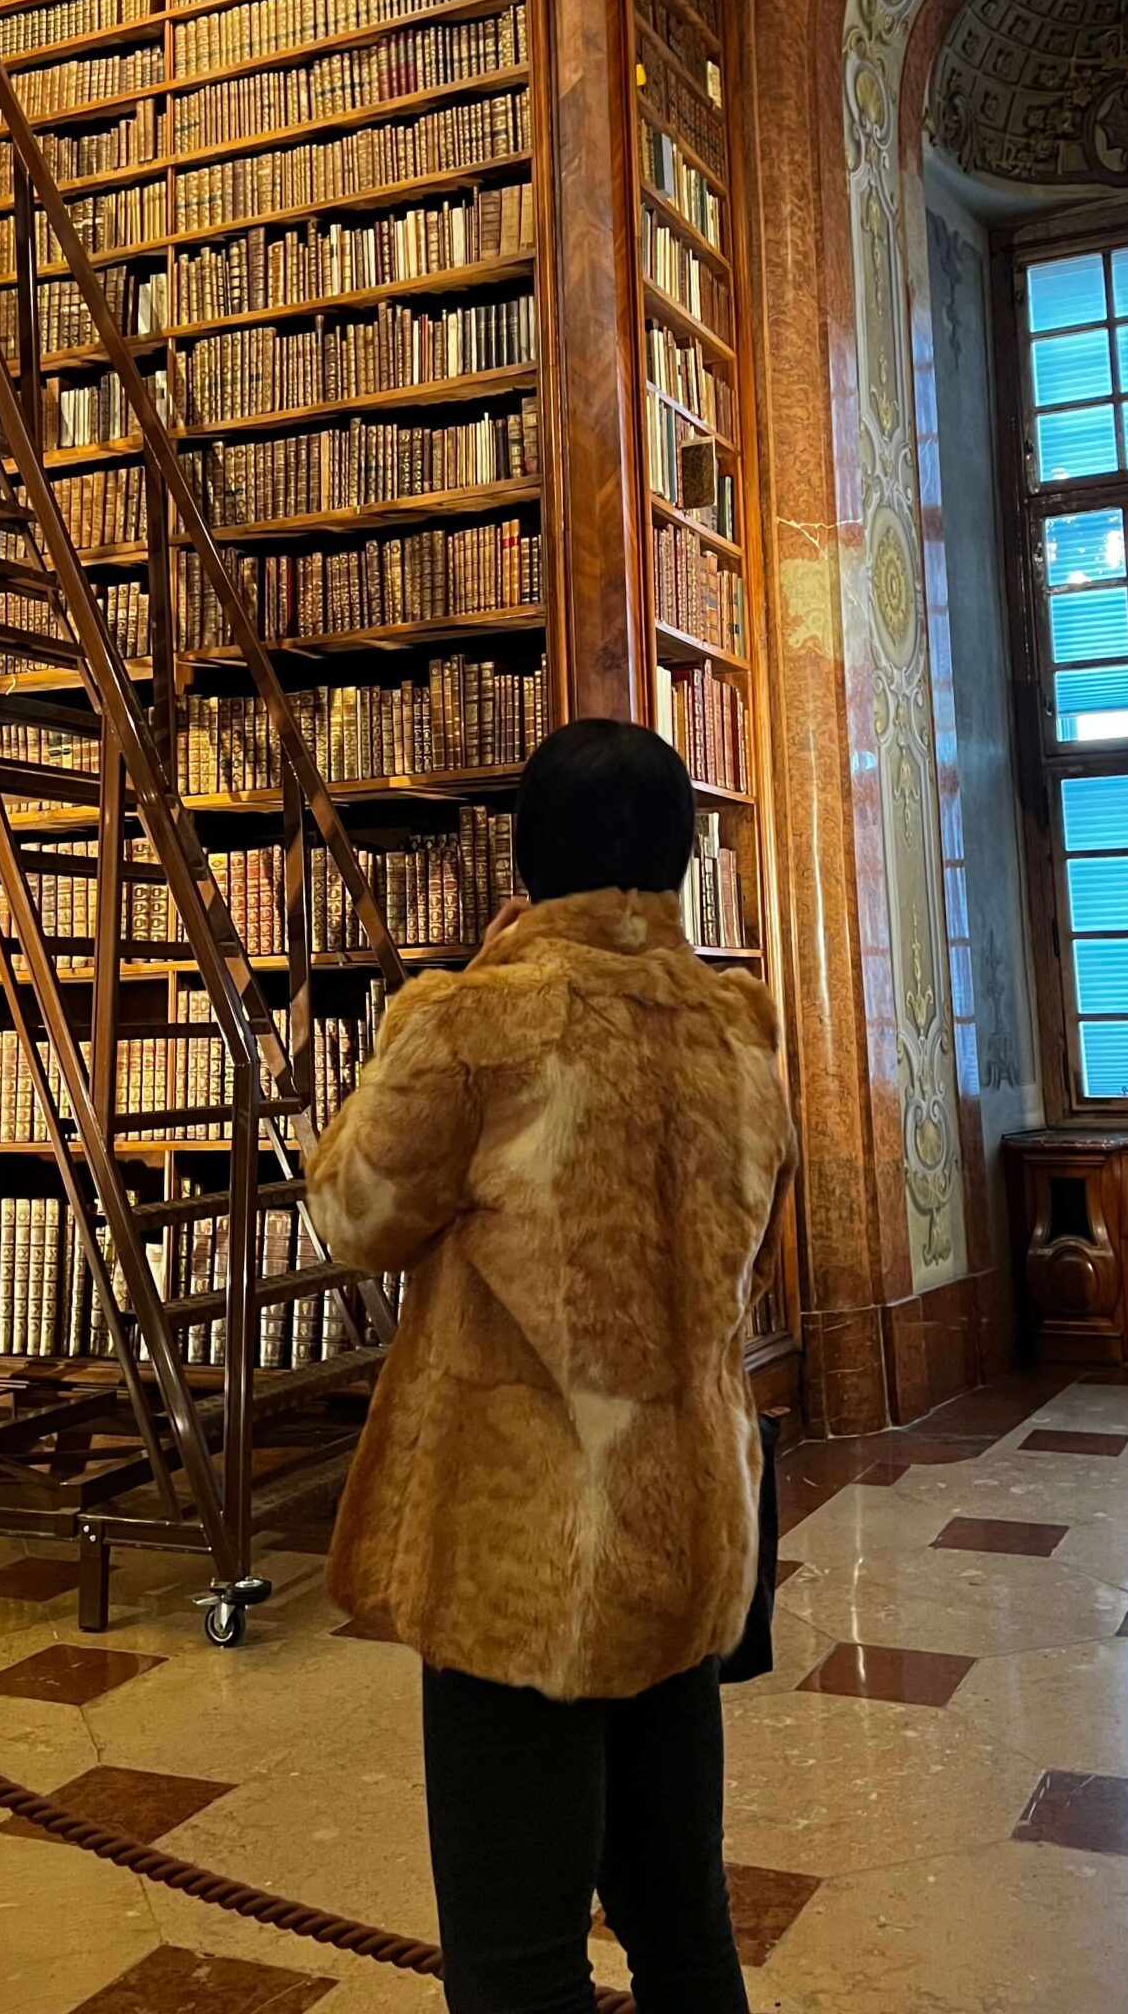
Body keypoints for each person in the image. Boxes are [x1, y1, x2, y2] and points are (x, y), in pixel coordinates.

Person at [307, 717, 797, 2014]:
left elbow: (355, 1218)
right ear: (687, 860)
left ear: (523, 860)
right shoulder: (741, 1027)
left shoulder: (477, 1027)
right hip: (690, 1529)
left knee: (518, 1957)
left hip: (523, 1557)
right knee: (686, 1931)